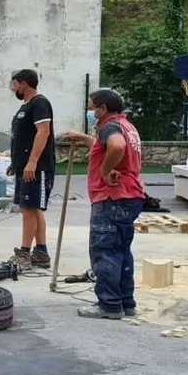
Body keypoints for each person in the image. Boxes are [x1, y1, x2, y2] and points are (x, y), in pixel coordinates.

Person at [61, 89, 145, 320]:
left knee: (105, 252)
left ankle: (108, 305)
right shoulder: (126, 126)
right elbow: (106, 146)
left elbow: (116, 147)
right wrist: (83, 137)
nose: (90, 112)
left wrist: (106, 171)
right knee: (121, 251)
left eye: (91, 108)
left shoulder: (109, 127)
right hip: (130, 196)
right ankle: (126, 302)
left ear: (103, 108)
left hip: (112, 197)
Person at [6, 69, 56, 270]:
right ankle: (41, 253)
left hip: (37, 168)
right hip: (24, 166)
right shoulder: (25, 107)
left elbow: (43, 132)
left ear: (24, 84)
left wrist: (33, 162)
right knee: (33, 208)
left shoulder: (39, 103)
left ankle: (25, 254)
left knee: (28, 209)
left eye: (15, 84)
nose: (13, 88)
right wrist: (16, 162)